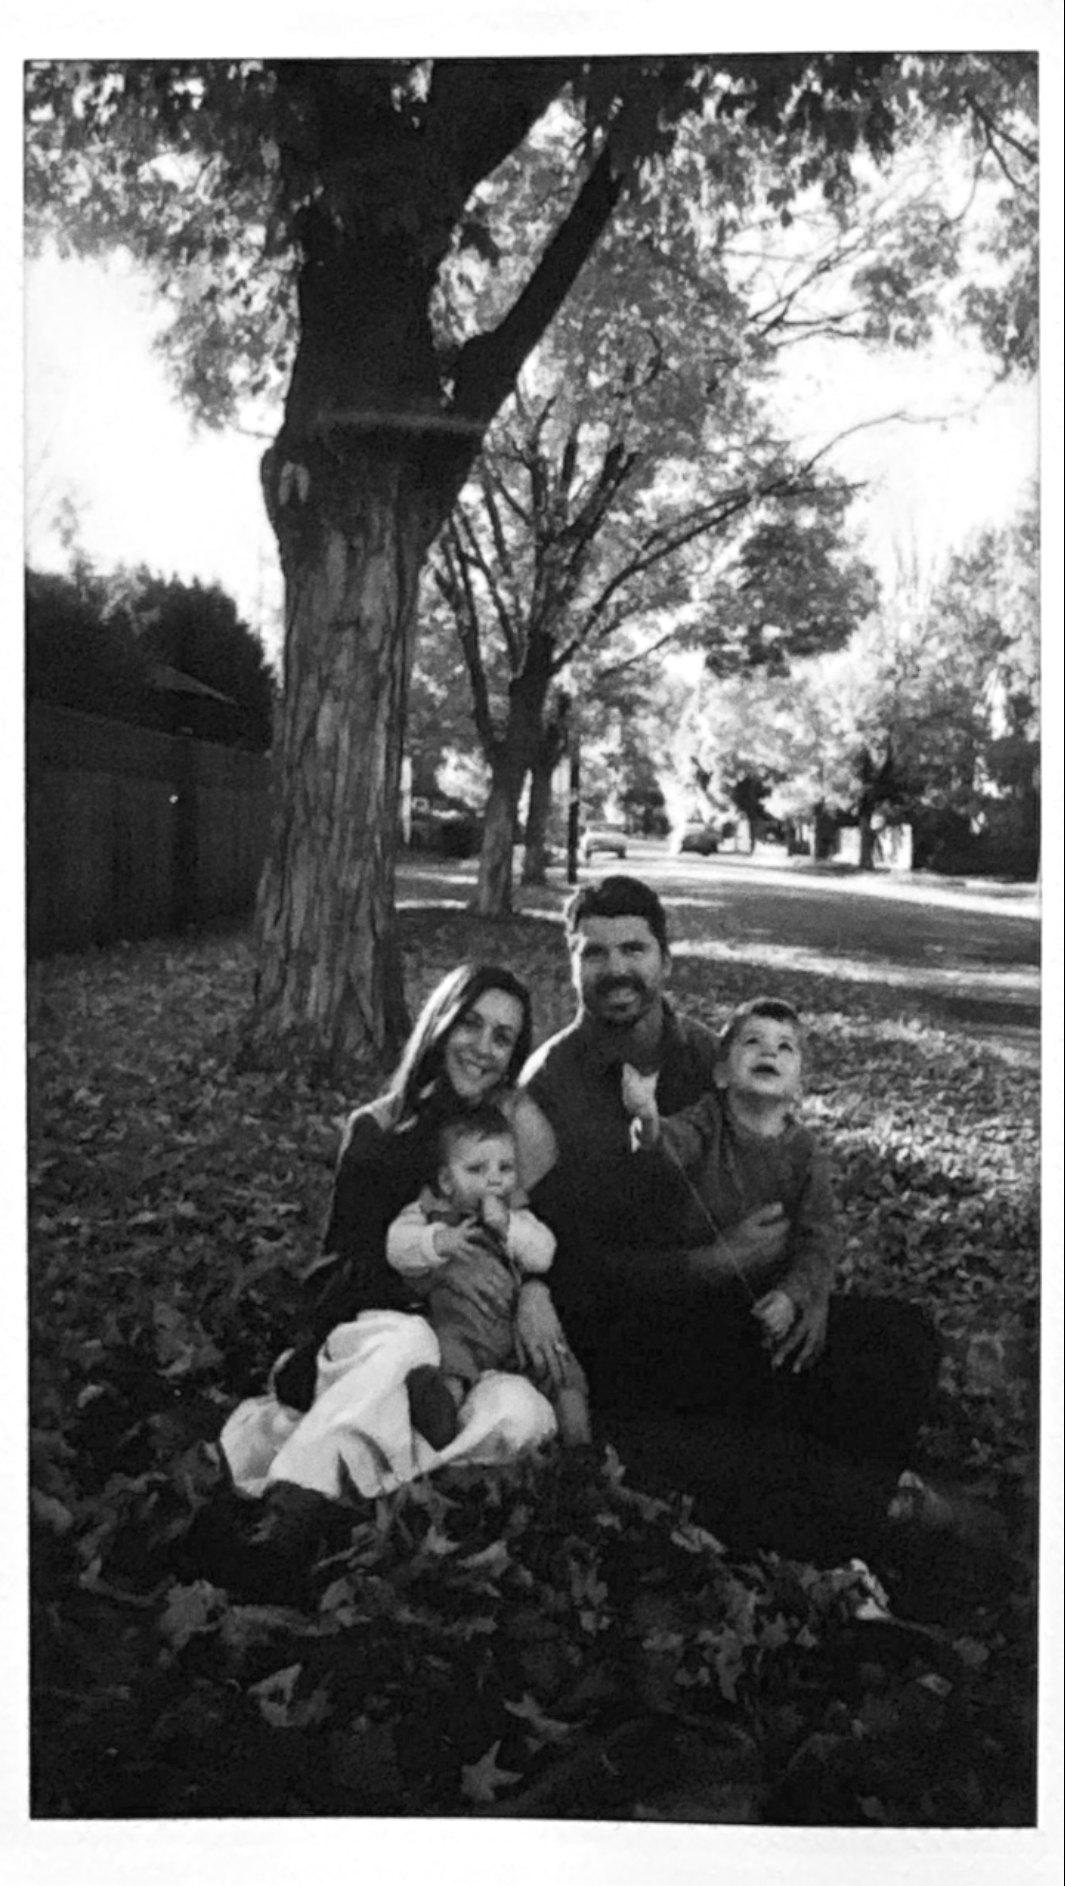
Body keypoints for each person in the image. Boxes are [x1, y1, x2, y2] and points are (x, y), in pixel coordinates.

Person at [512, 874, 946, 1565]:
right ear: (571, 962)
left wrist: (809, 1290)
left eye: (633, 948)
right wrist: (708, 1264)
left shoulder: (709, 1057)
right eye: (593, 953)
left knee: (902, 1341)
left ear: (665, 959)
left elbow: (795, 1184)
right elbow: (561, 1261)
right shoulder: (548, 1086)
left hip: (737, 1309)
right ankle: (853, 1529)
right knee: (753, 1451)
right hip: (631, 1336)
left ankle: (852, 1513)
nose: (616, 969)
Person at [220, 965, 564, 1501]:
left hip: (464, 1362)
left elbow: (542, 1238)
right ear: (441, 1024)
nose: (482, 1048)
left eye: (503, 1038)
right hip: (381, 1339)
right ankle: (298, 1501)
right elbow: (335, 1274)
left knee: (521, 1414)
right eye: (470, 1024)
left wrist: (535, 1291)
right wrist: (423, 1268)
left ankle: (369, 1483)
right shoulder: (377, 1129)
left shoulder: (509, 1133)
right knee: (407, 1344)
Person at [386, 1105, 591, 1449]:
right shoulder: (430, 1213)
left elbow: (544, 1252)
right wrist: (435, 1241)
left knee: (562, 1372)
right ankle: (440, 1422)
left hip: (514, 1327)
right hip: (458, 1324)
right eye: (477, 1169)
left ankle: (581, 1450)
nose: (495, 1179)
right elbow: (396, 1246)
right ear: (446, 1181)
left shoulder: (515, 1217)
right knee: (449, 1367)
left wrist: (507, 1227)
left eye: (505, 1168)